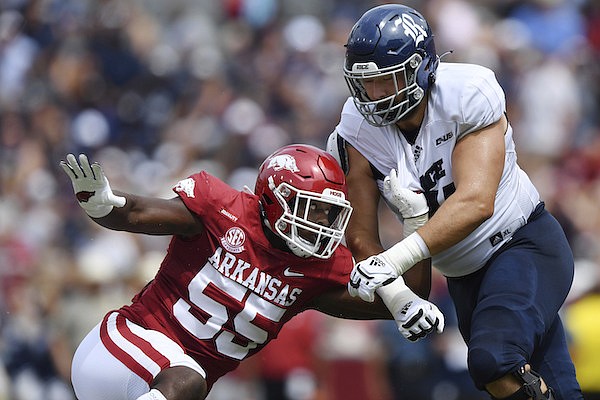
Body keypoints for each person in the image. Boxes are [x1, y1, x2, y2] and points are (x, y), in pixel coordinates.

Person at [326, 4, 583, 400]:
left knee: (493, 360)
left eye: (387, 80)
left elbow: (476, 202)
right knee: (543, 385)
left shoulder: (465, 93)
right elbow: (361, 237)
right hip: (464, 275)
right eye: (366, 84)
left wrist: (395, 259)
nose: (374, 95)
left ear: (421, 67)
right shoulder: (354, 132)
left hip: (521, 245)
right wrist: (400, 299)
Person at [60, 144, 444, 400]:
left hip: (170, 389)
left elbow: (404, 298)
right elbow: (135, 213)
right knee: (187, 378)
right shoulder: (221, 210)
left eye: (328, 212)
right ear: (275, 200)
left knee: (188, 381)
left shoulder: (316, 269)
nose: (322, 222)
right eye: (312, 208)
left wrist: (415, 222)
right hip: (119, 351)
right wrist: (104, 205)